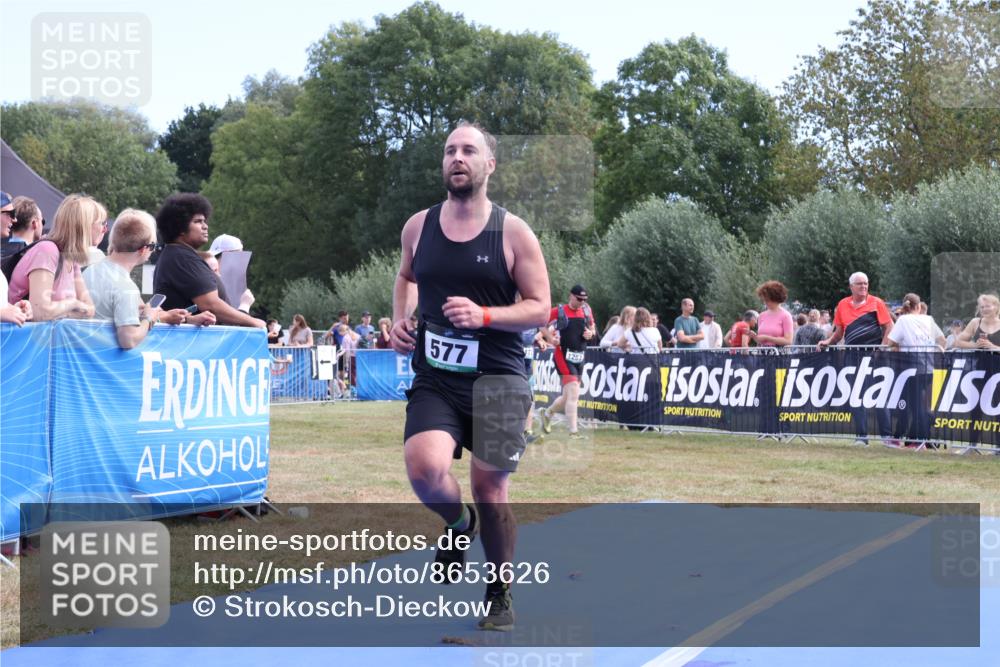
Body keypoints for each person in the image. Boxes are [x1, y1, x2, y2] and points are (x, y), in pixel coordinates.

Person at [389, 122, 550, 632]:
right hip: (437, 375)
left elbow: (541, 308)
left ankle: (499, 588)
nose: (457, 158)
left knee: (490, 486)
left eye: (468, 151)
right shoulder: (418, 226)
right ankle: (459, 527)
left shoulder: (514, 232)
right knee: (424, 467)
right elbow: (406, 276)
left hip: (499, 376)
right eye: (450, 151)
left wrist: (484, 316)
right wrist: (399, 318)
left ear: (489, 166)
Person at [84, 209, 212, 349]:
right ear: (144, 249)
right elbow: (129, 340)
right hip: (103, 361)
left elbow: (129, 313)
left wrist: (186, 319)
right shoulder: (125, 287)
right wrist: (148, 318)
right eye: (154, 247)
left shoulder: (91, 270)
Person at [153, 193, 264, 328]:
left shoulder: (177, 255)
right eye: (198, 221)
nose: (205, 226)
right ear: (180, 227)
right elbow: (211, 305)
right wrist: (254, 322)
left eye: (204, 221)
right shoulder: (182, 257)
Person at [818, 272, 894, 446]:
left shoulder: (877, 303)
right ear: (851, 286)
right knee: (856, 396)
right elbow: (839, 332)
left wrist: (882, 347)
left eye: (866, 283)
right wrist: (828, 342)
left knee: (879, 395)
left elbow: (889, 326)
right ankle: (861, 436)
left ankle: (887, 438)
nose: (864, 287)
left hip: (875, 356)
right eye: (860, 284)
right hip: (852, 356)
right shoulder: (842, 305)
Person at [7, 194, 97, 321]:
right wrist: (72, 304)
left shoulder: (71, 258)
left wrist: (61, 311)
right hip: (24, 338)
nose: (104, 229)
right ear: (84, 227)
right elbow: (39, 313)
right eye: (100, 223)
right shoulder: (47, 251)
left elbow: (90, 310)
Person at [886, 293, 946, 448]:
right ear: (919, 306)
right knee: (918, 404)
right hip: (929, 365)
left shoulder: (903, 320)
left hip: (910, 365)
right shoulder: (929, 319)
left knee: (915, 405)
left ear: (905, 306)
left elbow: (890, 342)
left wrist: (900, 345)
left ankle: (921, 439)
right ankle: (914, 439)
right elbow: (942, 340)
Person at [539, 284, 596, 439]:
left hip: (579, 356)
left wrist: (590, 333)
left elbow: (593, 328)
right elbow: (541, 324)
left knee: (567, 397)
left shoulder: (586, 310)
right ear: (571, 296)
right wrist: (551, 338)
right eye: (579, 299)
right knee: (574, 394)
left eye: (584, 299)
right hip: (562, 356)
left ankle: (548, 412)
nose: (582, 302)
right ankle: (573, 432)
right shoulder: (559, 311)